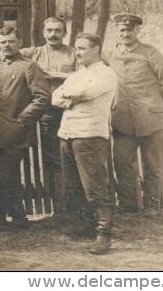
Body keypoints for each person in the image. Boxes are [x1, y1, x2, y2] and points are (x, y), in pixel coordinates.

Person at [108, 13, 163, 214]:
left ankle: (152, 205)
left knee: (152, 165)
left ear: (137, 31)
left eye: (129, 30)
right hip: (122, 120)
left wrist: (155, 101)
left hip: (151, 120)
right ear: (117, 31)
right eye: (122, 30)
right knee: (122, 163)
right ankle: (128, 205)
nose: (125, 34)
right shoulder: (111, 54)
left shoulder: (150, 53)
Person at [52, 33, 117, 255]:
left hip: (90, 135)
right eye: (77, 49)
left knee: (95, 186)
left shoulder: (106, 73)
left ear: (96, 49)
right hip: (68, 134)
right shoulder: (78, 74)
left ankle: (103, 234)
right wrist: (70, 97)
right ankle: (84, 225)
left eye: (82, 48)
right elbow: (54, 97)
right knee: (73, 184)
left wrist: (68, 96)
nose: (78, 53)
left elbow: (86, 92)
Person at [0, 26, 51, 230]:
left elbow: (43, 98)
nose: (7, 45)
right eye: (3, 41)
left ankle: (6, 217)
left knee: (2, 176)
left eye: (11, 41)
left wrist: (22, 120)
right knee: (5, 177)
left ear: (20, 42)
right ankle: (12, 219)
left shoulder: (29, 66)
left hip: (16, 132)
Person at [19, 17, 77, 212]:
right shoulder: (34, 53)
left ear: (64, 33)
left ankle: (72, 206)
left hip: (70, 111)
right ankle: (58, 207)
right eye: (49, 30)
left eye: (57, 31)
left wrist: (56, 75)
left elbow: (91, 73)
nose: (53, 34)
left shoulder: (73, 54)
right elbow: (5, 52)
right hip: (45, 113)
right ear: (43, 32)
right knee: (50, 158)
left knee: (71, 157)